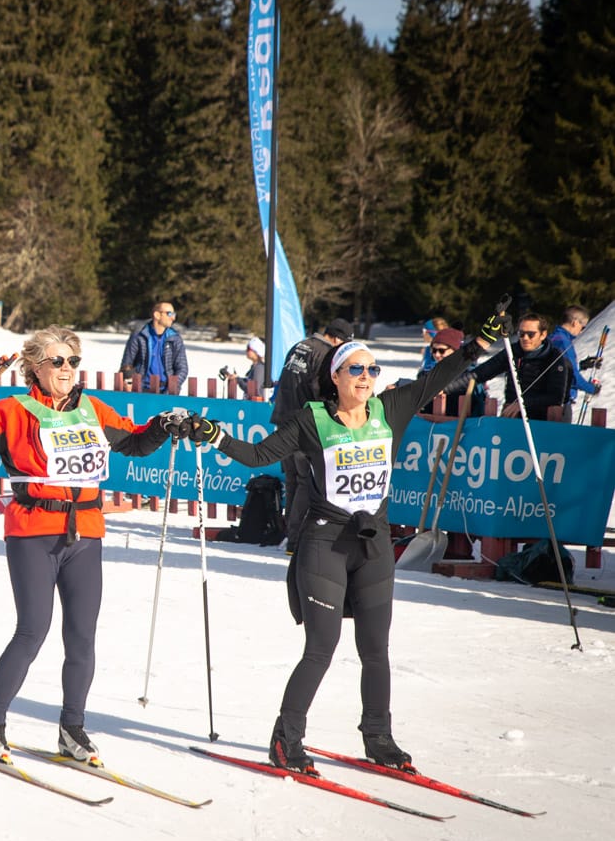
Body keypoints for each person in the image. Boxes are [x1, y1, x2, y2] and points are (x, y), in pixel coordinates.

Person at [182, 308, 506, 774]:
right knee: (322, 647)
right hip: (324, 541)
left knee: (376, 649)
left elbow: (440, 377)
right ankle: (285, 738)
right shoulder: (312, 420)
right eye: (357, 368)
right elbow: (257, 455)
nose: (367, 376)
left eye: (373, 369)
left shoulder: (389, 408)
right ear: (335, 376)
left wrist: (476, 346)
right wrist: (214, 436)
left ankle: (379, 737)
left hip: (373, 544)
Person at [0, 326, 183, 763]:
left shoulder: (92, 408)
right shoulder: (12, 410)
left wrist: (162, 425)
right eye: (58, 361)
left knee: (82, 638)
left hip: (86, 532)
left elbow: (134, 442)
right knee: (32, 630)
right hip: (33, 530)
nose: (67, 369)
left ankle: (73, 730)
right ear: (35, 367)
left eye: (73, 361)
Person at [270, 317, 354, 549]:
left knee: (293, 480)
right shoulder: (325, 354)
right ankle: (295, 541)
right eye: (343, 344)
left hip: (284, 419)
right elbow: (321, 392)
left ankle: (290, 534)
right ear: (336, 338)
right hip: (304, 425)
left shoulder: (300, 346)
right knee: (307, 481)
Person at [472, 312, 574, 421]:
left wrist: (522, 403)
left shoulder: (555, 358)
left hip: (543, 420)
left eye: (531, 334)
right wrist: (452, 383)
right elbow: (480, 373)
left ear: (543, 335)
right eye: (521, 334)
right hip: (513, 418)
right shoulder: (513, 352)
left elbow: (556, 397)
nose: (525, 338)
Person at [119, 301, 188, 394]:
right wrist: (130, 384)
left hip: (166, 392)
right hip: (141, 391)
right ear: (157, 315)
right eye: (169, 314)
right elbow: (127, 364)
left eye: (174, 314)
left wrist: (171, 389)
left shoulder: (175, 338)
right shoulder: (139, 335)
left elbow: (182, 368)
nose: (173, 318)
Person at [416, 327, 484, 417]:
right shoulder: (428, 372)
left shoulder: (469, 373)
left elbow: (478, 405)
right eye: (434, 350)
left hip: (462, 425)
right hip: (432, 425)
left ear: (454, 351)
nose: (437, 355)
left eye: (441, 351)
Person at [548, 306, 602, 406]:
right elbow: (571, 376)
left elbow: (558, 369)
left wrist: (582, 366)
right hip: (560, 402)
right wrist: (592, 389)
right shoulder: (564, 343)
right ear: (575, 323)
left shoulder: (553, 337)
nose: (581, 331)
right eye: (583, 327)